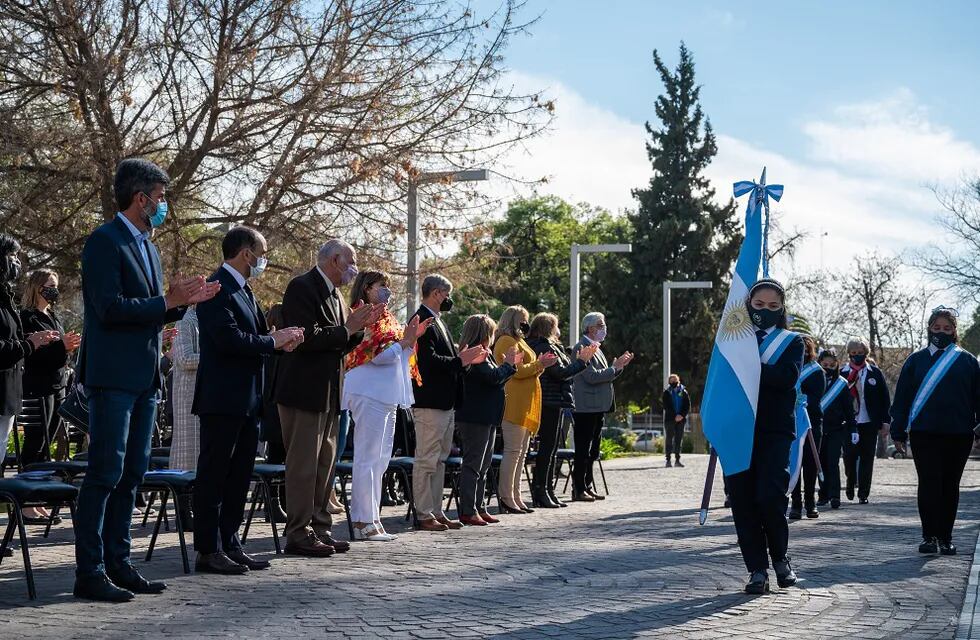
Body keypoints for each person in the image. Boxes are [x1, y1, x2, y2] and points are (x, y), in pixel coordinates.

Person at [73, 158, 219, 602]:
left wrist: (181, 304)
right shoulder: (104, 242)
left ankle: (120, 563)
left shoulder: (149, 248)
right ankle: (90, 570)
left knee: (133, 473)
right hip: (112, 376)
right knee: (105, 472)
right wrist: (165, 301)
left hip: (144, 378)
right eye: (159, 198)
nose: (162, 206)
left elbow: (152, 312)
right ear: (140, 198)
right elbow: (110, 309)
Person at [192, 226, 304, 574]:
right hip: (222, 398)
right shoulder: (217, 288)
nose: (264, 259)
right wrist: (273, 341)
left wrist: (278, 340)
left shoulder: (245, 289)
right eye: (262, 252)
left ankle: (231, 541)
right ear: (246, 253)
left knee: (240, 474)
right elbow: (229, 339)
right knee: (214, 475)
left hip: (249, 399)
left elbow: (253, 336)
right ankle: (208, 549)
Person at [275, 239, 381, 556]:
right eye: (351, 261)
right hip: (303, 391)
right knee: (304, 465)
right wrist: (347, 329)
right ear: (335, 259)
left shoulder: (336, 295)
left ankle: (320, 527)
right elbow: (306, 337)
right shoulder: (302, 287)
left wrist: (359, 329)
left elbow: (338, 343)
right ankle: (298, 532)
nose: (354, 269)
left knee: (325, 465)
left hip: (331, 392)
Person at [342, 271, 430, 541]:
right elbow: (374, 355)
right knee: (368, 458)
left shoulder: (388, 316)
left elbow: (397, 354)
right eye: (382, 286)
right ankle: (361, 521)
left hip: (386, 393)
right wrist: (405, 341)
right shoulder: (362, 314)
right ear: (367, 288)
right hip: (368, 390)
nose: (387, 292)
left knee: (380, 460)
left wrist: (410, 340)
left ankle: (373, 518)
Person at [727, 278, 802, 594]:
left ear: (781, 309)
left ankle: (780, 557)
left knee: (770, 497)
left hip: (774, 430)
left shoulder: (792, 341)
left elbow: (788, 378)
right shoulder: (731, 342)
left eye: (773, 306)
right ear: (748, 306)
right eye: (759, 305)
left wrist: (749, 368)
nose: (765, 311)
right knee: (743, 502)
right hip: (737, 432)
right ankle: (757, 569)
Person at [890, 306, 980, 556]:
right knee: (929, 483)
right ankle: (929, 536)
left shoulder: (967, 361)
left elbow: (978, 398)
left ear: (954, 331)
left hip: (958, 434)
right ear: (929, 329)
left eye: (947, 328)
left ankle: (946, 537)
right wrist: (898, 431)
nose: (941, 332)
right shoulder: (916, 361)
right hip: (924, 432)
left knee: (950, 485)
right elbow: (902, 399)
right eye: (937, 327)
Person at [410, 274, 486, 531]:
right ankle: (423, 513)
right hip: (430, 402)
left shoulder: (438, 322)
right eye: (446, 294)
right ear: (435, 293)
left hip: (445, 402)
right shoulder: (421, 320)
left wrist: (465, 362)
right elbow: (428, 363)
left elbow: (451, 363)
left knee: (439, 459)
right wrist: (460, 360)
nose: (448, 299)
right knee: (427, 459)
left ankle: (435, 510)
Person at [19, 268, 81, 523]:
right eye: (49, 285)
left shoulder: (52, 316)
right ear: (37, 287)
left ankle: (38, 498)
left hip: (57, 386)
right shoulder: (28, 317)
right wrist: (60, 346)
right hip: (36, 387)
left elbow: (57, 351)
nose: (54, 289)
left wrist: (67, 346)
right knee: (34, 443)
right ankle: (25, 502)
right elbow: (31, 354)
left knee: (47, 445)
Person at [455, 314, 520, 525]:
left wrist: (510, 367)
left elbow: (496, 381)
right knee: (473, 464)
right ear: (484, 334)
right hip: (475, 416)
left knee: (484, 466)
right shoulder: (475, 353)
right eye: (491, 333)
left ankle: (479, 506)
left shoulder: (486, 353)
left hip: (488, 415)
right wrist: (508, 365)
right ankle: (468, 509)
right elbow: (490, 378)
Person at [526, 312, 595, 508]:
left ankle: (547, 490)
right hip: (549, 401)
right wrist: (581, 362)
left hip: (554, 401)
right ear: (549, 328)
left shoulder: (549, 345)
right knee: (547, 448)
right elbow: (560, 373)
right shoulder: (544, 346)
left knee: (552, 448)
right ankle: (541, 491)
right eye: (556, 326)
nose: (559, 330)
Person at [493, 306, 558, 514]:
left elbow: (529, 371)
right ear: (512, 320)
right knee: (512, 452)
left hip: (526, 403)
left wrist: (541, 365)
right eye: (522, 320)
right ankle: (506, 496)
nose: (526, 324)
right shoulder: (504, 341)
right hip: (513, 403)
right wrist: (539, 364)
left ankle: (516, 495)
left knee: (521, 454)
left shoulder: (520, 341)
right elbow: (516, 371)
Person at [571, 312, 633, 502]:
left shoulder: (597, 348)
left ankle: (587, 485)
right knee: (583, 450)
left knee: (593, 450)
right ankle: (579, 488)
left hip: (598, 407)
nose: (603, 328)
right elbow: (591, 376)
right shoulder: (581, 347)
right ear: (590, 328)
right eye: (600, 325)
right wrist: (614, 368)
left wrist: (617, 367)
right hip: (585, 408)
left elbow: (604, 376)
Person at [840, 336, 891, 504]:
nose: (857, 355)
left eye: (860, 352)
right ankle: (850, 482)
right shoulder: (843, 374)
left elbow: (884, 398)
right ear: (849, 354)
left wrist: (886, 421)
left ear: (865, 353)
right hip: (849, 423)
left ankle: (863, 493)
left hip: (869, 422)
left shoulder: (874, 373)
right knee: (849, 457)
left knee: (867, 458)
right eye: (854, 353)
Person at [789, 335, 826, 520]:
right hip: (791, 421)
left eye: (804, 348)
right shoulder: (788, 368)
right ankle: (795, 504)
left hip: (811, 422)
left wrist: (800, 400)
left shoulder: (817, 371)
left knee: (810, 464)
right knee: (794, 462)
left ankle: (810, 502)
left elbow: (816, 397)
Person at [815, 349, 857, 510]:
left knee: (832, 462)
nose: (828, 367)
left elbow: (848, 409)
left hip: (836, 429)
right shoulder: (814, 381)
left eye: (832, 365)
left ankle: (834, 496)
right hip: (818, 428)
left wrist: (853, 429)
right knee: (820, 463)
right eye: (825, 364)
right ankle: (823, 494)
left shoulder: (841, 384)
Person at [168, 307, 200, 472]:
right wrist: (217, 358)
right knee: (188, 460)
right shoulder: (185, 321)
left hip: (207, 397)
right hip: (189, 398)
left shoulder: (207, 320)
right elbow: (184, 359)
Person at [661, 374, 690, 468]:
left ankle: (677, 460)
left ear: (678, 381)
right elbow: (666, 406)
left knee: (678, 439)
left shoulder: (684, 392)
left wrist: (681, 415)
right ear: (669, 382)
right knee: (669, 439)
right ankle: (668, 460)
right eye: (671, 381)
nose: (673, 382)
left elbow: (687, 405)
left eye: (675, 380)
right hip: (670, 419)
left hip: (681, 420)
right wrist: (675, 416)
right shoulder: (666, 393)